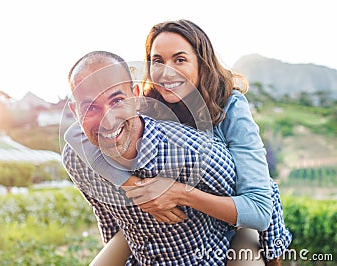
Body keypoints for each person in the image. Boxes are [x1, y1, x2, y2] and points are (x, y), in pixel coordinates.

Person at [65, 19, 292, 265]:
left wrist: (180, 193)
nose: (166, 72)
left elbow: (259, 204)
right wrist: (133, 186)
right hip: (165, 221)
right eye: (158, 61)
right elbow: (75, 136)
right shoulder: (147, 104)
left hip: (229, 216)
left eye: (180, 59)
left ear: (201, 64)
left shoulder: (231, 107)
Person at [63, 50, 242, 265]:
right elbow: (109, 220)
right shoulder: (77, 160)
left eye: (117, 100)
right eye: (90, 107)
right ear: (75, 112)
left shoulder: (194, 152)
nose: (107, 121)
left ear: (136, 96)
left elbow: (260, 203)